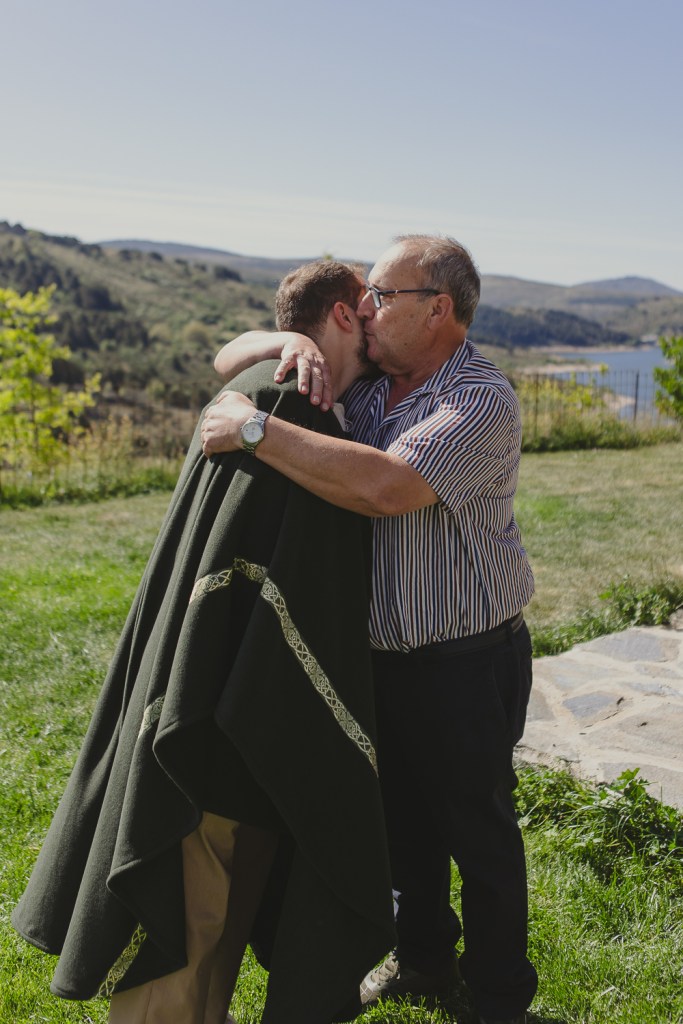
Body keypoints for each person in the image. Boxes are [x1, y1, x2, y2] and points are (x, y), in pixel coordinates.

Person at [12, 260, 395, 1024]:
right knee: (190, 930)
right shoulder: (287, 403)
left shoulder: (263, 390)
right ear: (344, 314)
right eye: (373, 303)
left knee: (213, 936)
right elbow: (262, 581)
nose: (382, 318)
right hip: (223, 719)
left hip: (229, 710)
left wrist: (278, 340)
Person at [202, 234, 538, 1024]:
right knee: (401, 829)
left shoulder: (479, 398)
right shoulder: (370, 387)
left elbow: (387, 489)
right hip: (377, 657)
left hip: (464, 661)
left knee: (478, 835)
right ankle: (423, 961)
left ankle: (498, 997)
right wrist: (285, 343)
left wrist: (254, 431)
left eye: (382, 297)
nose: (366, 310)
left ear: (438, 309)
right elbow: (224, 358)